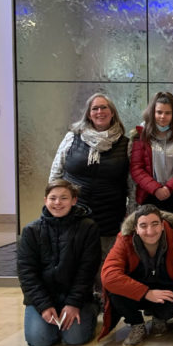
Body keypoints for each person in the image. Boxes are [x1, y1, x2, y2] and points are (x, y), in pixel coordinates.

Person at [99, 205, 173, 346]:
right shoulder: (124, 240)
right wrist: (146, 292)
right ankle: (137, 324)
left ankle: (160, 318)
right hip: (137, 292)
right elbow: (109, 276)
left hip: (164, 289)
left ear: (162, 225)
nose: (150, 231)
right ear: (136, 229)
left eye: (155, 224)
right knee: (115, 291)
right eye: (143, 226)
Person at [17, 180, 101, 346]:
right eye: (53, 198)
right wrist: (44, 306)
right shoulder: (30, 231)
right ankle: (53, 324)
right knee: (39, 340)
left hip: (76, 296)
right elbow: (27, 273)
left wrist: (73, 303)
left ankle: (93, 308)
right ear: (45, 200)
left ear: (74, 200)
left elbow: (87, 270)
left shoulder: (87, 228)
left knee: (75, 338)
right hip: (43, 296)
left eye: (64, 198)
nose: (57, 203)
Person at [49, 92, 130, 262]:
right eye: (95, 108)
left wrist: (132, 214)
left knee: (106, 264)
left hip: (110, 214)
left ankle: (101, 290)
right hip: (74, 211)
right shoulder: (72, 137)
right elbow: (57, 172)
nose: (99, 111)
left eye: (104, 107)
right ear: (88, 113)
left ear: (112, 112)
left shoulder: (126, 144)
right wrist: (54, 202)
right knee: (74, 260)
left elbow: (131, 183)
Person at [130, 91, 173, 220]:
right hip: (150, 195)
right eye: (159, 112)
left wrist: (169, 188)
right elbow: (136, 168)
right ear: (152, 113)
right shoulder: (141, 135)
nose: (162, 116)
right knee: (151, 237)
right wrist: (156, 189)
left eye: (167, 113)